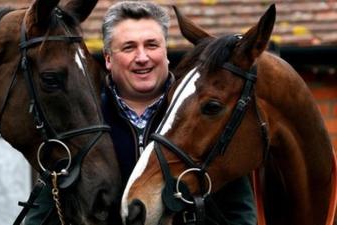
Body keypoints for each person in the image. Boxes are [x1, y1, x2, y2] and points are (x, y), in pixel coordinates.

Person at [25, 1, 257, 225]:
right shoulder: (79, 123)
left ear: (166, 53)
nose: (142, 57)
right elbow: (44, 215)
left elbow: (240, 214)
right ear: (108, 59)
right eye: (129, 47)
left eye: (152, 45)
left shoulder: (206, 116)